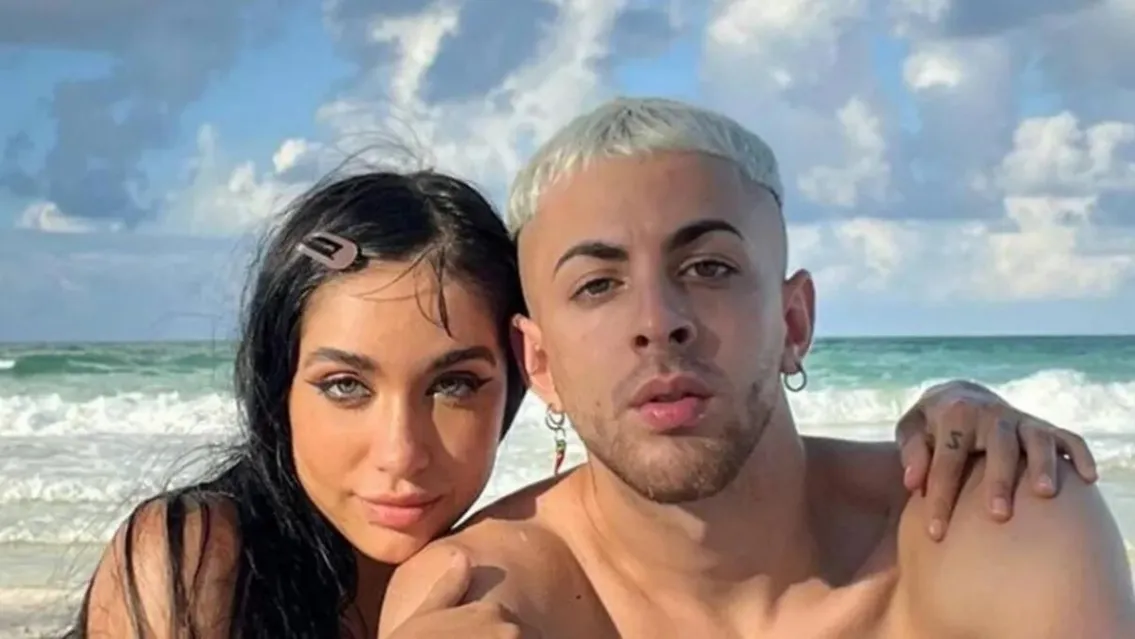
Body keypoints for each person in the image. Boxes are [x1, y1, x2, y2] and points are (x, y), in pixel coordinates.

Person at [68, 168, 1095, 639]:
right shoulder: (195, 562)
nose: (401, 451)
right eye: (344, 385)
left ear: (528, 376)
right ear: (276, 387)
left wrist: (958, 398)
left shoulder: (498, 568)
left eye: (455, 385)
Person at [379, 98, 1134, 639]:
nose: (657, 321)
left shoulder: (999, 518)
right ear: (539, 363)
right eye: (598, 285)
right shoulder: (478, 600)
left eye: (708, 267)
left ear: (794, 322)